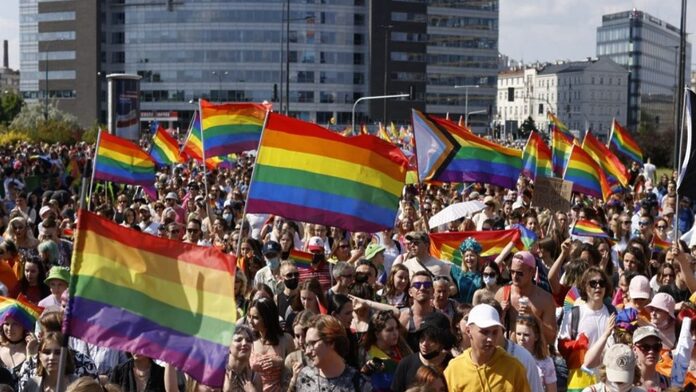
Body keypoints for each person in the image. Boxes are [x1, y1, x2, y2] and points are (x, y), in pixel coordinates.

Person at [443, 304, 530, 392]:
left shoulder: (514, 368)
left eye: (495, 332)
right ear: (468, 331)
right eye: (484, 332)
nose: (490, 338)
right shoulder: (454, 369)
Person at [293, 315, 372, 392]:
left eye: (313, 343)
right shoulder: (305, 377)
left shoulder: (360, 384)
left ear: (330, 342)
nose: (307, 352)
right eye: (307, 345)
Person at [495, 251, 557, 344]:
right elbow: (490, 331)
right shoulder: (502, 294)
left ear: (532, 272)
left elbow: (551, 338)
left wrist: (533, 317)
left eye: (520, 273)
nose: (515, 276)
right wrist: (500, 315)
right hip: (507, 353)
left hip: (533, 355)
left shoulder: (544, 299)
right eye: (512, 272)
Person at [390, 312, 454, 392]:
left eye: (432, 339)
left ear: (442, 342)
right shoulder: (406, 364)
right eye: (422, 337)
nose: (424, 344)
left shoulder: (452, 365)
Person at [248, 298, 295, 392]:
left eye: (256, 318)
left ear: (267, 318)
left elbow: (295, 369)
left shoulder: (286, 339)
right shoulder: (249, 341)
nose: (251, 321)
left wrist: (281, 363)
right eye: (250, 316)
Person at [360, 311, 412, 392]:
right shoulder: (369, 356)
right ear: (377, 334)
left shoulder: (401, 347)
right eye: (390, 330)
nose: (395, 333)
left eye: (396, 328)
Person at [514, 314, 557, 392]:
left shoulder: (546, 362)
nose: (521, 338)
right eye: (518, 334)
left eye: (526, 335)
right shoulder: (510, 357)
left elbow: (552, 390)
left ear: (536, 336)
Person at [399, 271, 435, 351]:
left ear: (432, 291)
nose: (422, 288)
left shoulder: (441, 317)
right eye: (417, 285)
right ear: (410, 292)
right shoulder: (403, 317)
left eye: (427, 285)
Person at [222, 325, 261, 392]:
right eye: (238, 340)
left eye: (248, 340)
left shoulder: (254, 376)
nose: (244, 343)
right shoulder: (219, 372)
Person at [632, 326, 670, 390]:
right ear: (634, 349)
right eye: (645, 347)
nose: (651, 351)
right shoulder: (627, 382)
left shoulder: (667, 382)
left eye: (656, 347)